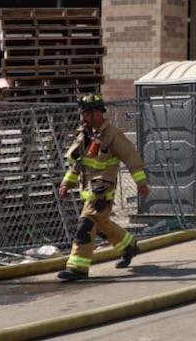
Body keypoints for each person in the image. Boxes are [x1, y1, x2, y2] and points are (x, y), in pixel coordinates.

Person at [57, 94, 149, 282]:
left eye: (89, 112)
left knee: (87, 224)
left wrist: (141, 183)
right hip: (88, 190)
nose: (86, 116)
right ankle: (129, 247)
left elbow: (131, 158)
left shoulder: (113, 135)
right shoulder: (84, 135)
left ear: (99, 112)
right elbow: (77, 164)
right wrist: (67, 183)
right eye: (84, 113)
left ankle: (77, 268)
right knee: (101, 226)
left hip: (102, 191)